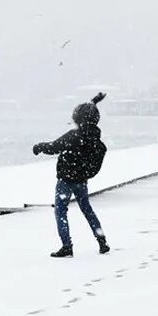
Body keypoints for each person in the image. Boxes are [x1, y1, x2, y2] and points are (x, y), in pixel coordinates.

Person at [33, 92, 110, 258]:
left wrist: (39, 147)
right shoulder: (95, 138)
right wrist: (94, 103)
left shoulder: (74, 136)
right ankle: (102, 241)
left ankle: (67, 246)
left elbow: (53, 147)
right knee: (87, 210)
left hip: (65, 180)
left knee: (61, 212)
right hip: (82, 181)